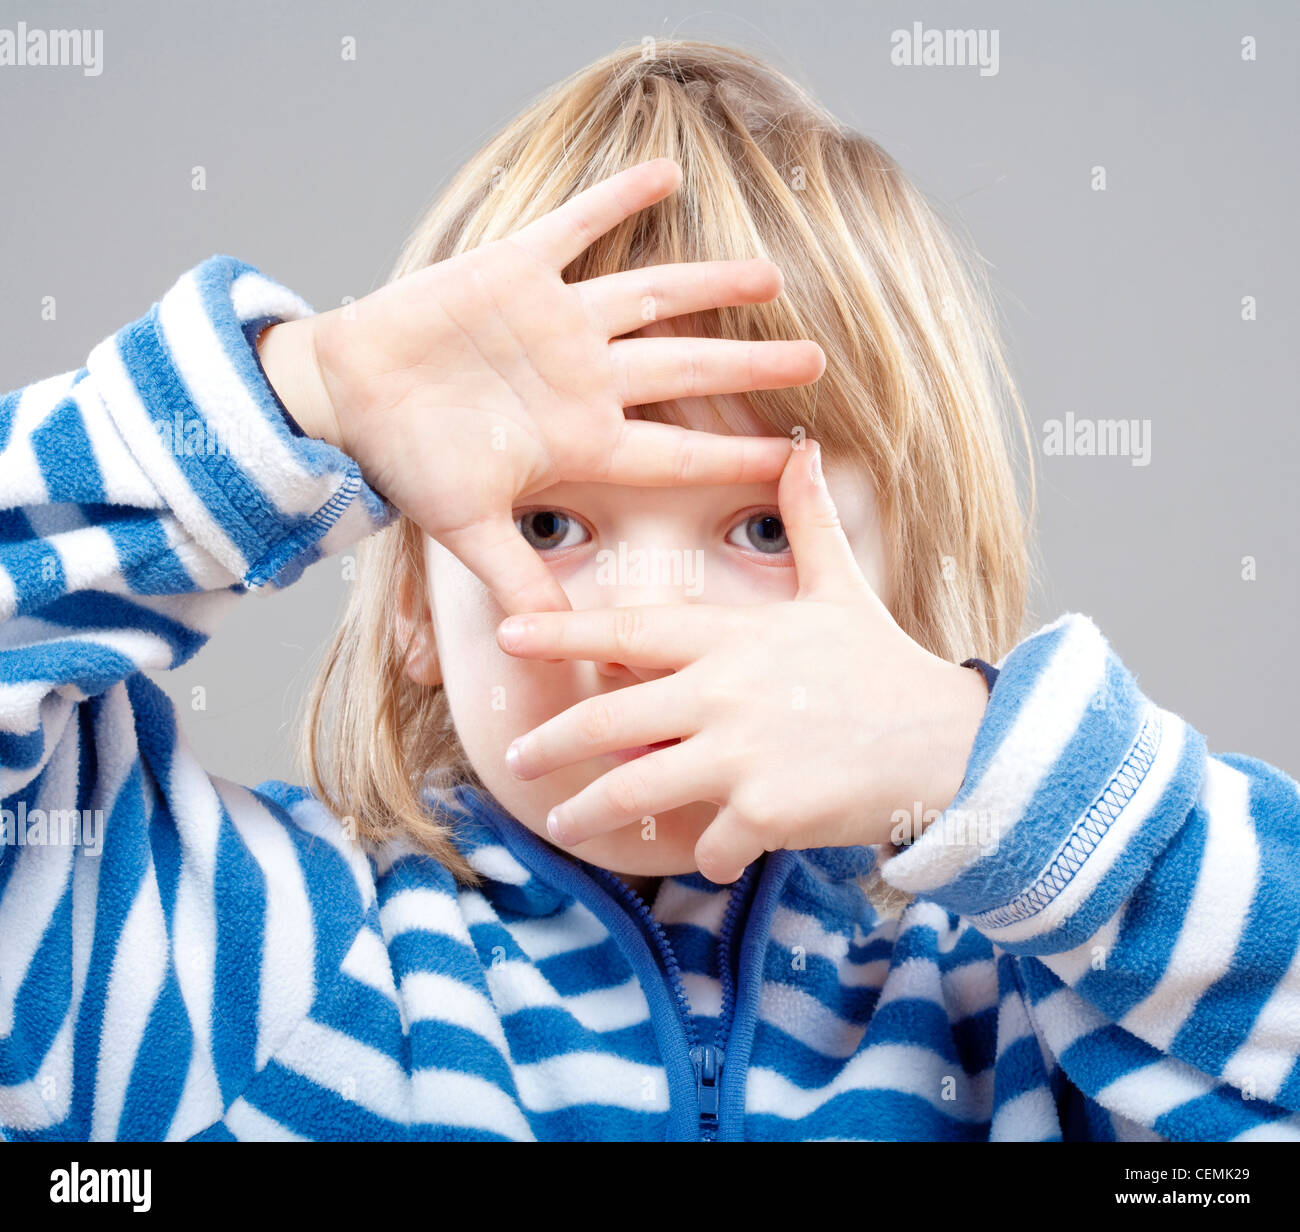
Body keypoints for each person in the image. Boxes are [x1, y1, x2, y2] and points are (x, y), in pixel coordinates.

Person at [1, 40, 1296, 1142]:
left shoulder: (1018, 1016)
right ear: (410, 607)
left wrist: (969, 756)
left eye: (758, 528)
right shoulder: (261, 961)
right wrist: (309, 399)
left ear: (913, 603)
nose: (654, 630)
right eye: (553, 519)